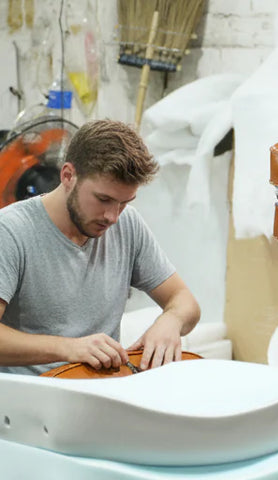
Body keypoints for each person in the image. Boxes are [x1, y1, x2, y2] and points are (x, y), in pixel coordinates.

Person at [0, 118, 201, 376]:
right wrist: (69, 349)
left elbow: (185, 302)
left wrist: (171, 321)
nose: (112, 216)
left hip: (103, 395)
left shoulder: (128, 225)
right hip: (32, 402)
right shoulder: (11, 231)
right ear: (68, 176)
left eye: (124, 202)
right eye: (103, 199)